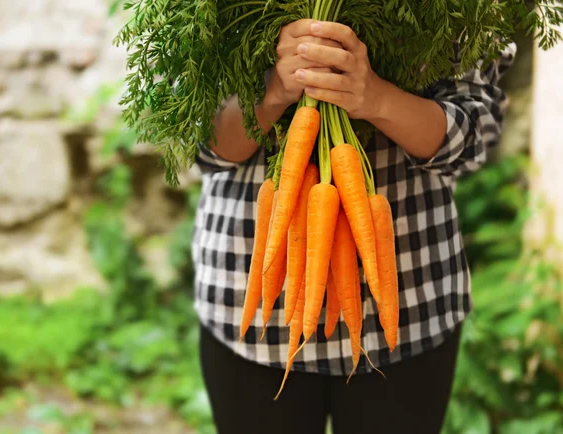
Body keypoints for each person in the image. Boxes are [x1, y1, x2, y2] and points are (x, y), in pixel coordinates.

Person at [191, 18, 516, 434]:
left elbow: (477, 130)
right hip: (253, 309)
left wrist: (377, 99)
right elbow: (192, 138)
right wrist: (273, 92)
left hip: (409, 301)